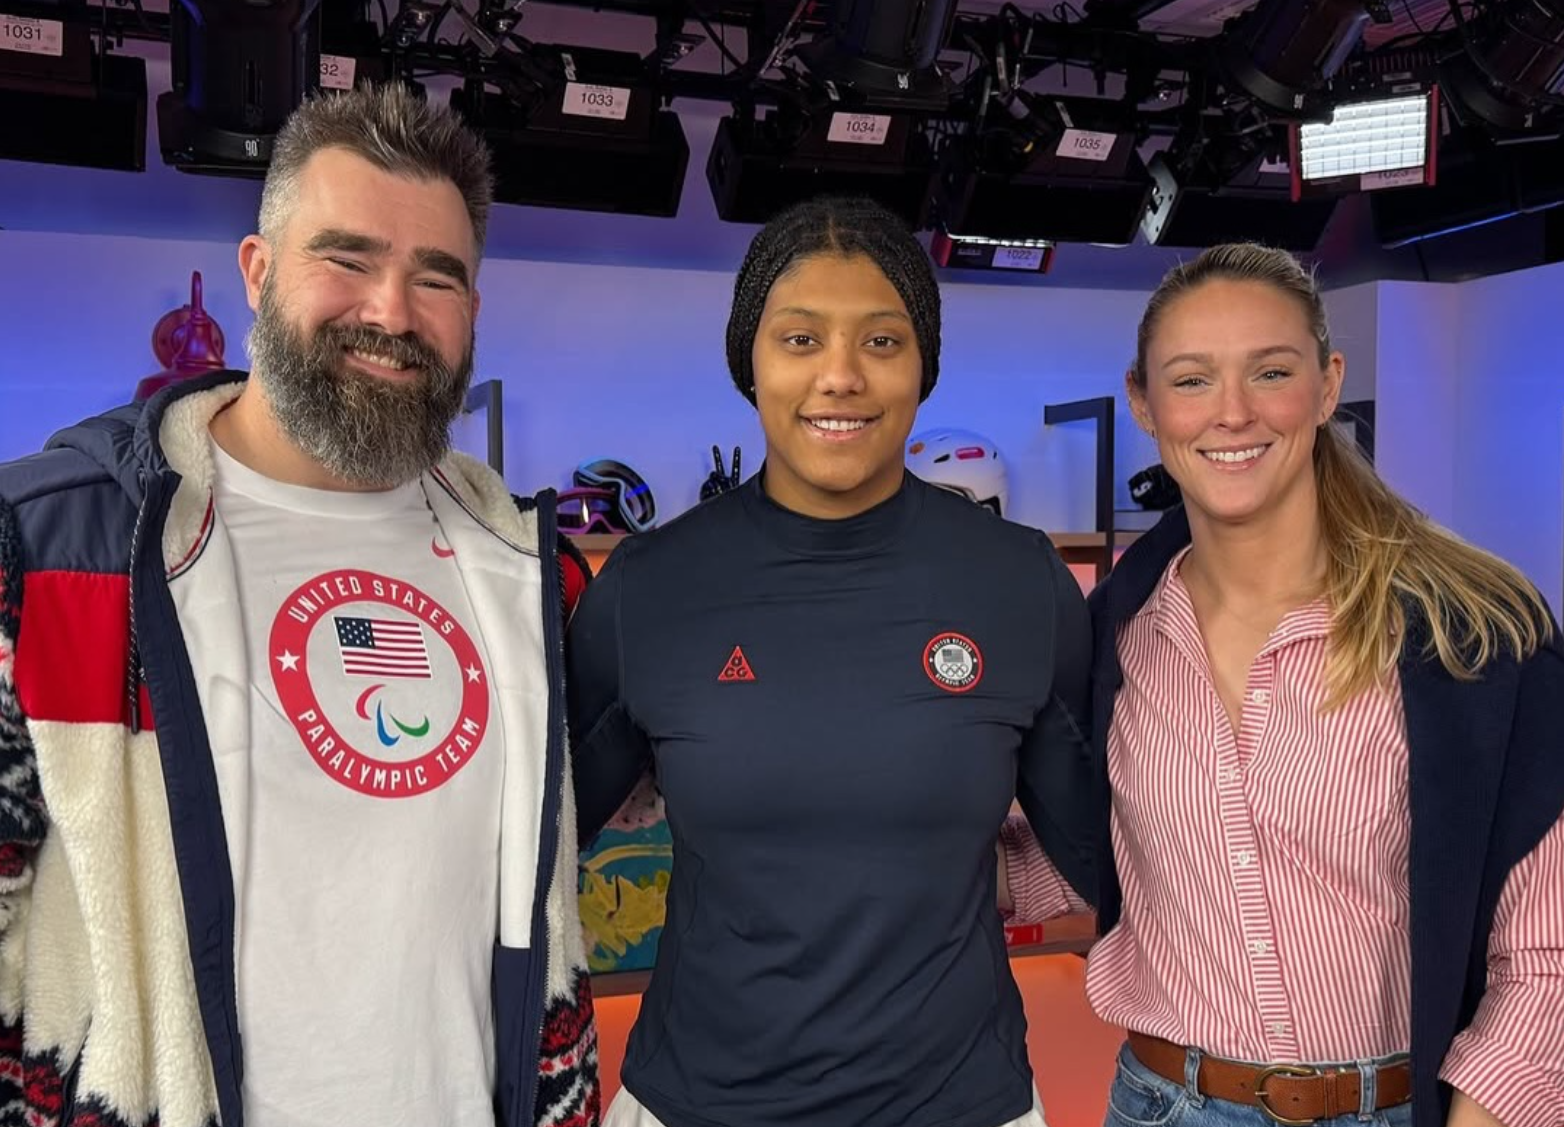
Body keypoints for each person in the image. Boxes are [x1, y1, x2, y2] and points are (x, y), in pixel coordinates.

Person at [0, 83, 599, 1127]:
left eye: (436, 277)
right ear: (258, 268)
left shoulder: (528, 573)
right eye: (348, 258)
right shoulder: (46, 553)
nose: (391, 312)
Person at [1000, 243, 1564, 1127]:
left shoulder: (1478, 637)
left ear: (1328, 383)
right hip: (1163, 1105)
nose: (1232, 413)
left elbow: (1547, 953)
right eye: (1191, 380)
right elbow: (1086, 867)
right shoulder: (1108, 639)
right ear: (1145, 402)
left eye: (1270, 371)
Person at [566, 195, 1100, 1127]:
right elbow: (529, 843)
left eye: (882, 342)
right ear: (751, 361)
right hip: (700, 1101)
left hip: (960, 1105)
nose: (841, 376)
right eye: (801, 339)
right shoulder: (650, 587)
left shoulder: (1019, 581)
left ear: (923, 364)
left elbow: (1112, 852)